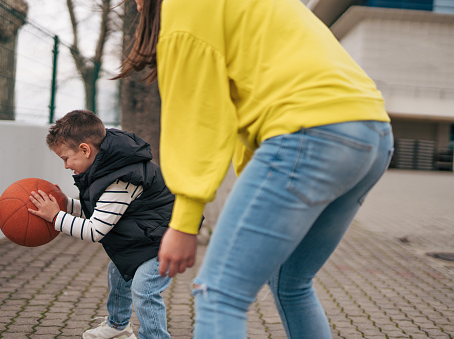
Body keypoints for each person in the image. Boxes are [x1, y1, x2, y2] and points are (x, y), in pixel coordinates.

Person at [115, 0, 395, 338]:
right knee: (290, 283)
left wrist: (184, 222)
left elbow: (198, 118)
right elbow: (241, 117)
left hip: (310, 133)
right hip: (372, 134)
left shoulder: (182, 5)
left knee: (218, 293)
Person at [28, 110, 174, 339]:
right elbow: (103, 210)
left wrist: (56, 218)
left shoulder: (121, 178)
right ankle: (118, 327)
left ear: (85, 149)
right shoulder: (106, 163)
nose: (66, 166)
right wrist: (66, 205)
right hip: (148, 234)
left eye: (66, 158)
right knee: (118, 271)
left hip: (169, 239)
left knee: (144, 289)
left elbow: (96, 230)